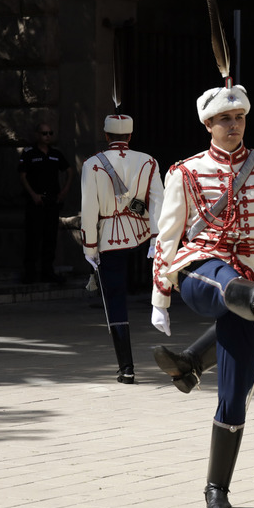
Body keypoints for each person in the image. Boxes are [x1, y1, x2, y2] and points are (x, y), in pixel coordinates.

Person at [150, 84, 254, 508]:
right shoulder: (185, 171)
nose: (233, 126)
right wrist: (160, 295)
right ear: (208, 124)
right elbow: (168, 235)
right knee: (222, 278)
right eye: (224, 120)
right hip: (199, 269)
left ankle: (217, 487)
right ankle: (253, 302)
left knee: (236, 392)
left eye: (239, 119)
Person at [81, 114, 163, 383]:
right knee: (161, 289)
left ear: (106, 136)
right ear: (130, 136)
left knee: (115, 300)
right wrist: (157, 238)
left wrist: (89, 246)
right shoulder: (148, 161)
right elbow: (157, 203)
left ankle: (126, 368)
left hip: (109, 239)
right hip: (142, 236)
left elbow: (89, 209)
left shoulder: (92, 164)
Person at [19, 122, 74, 284]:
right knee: (33, 237)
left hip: (52, 201)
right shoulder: (29, 153)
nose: (48, 136)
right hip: (35, 201)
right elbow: (22, 175)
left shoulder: (56, 154)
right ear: (37, 135)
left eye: (50, 133)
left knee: (50, 238)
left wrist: (64, 191)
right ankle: (30, 272)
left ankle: (47, 271)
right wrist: (33, 194)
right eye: (44, 133)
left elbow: (69, 171)